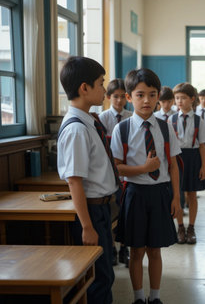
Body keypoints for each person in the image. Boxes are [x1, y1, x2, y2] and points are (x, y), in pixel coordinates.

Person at [110, 68, 182, 304]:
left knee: (155, 250)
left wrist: (175, 199)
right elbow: (117, 167)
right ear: (129, 97)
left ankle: (155, 297)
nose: (147, 100)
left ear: (158, 96)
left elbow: (173, 166)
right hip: (135, 194)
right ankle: (139, 297)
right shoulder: (122, 129)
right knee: (136, 250)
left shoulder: (165, 127)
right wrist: (143, 168)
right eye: (140, 95)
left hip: (160, 193)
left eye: (152, 94)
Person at [57, 56, 117, 303]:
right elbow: (74, 181)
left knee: (105, 274)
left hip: (101, 209)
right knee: (99, 279)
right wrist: (87, 227)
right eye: (101, 83)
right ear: (84, 88)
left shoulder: (90, 121)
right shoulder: (77, 129)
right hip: (91, 213)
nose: (104, 90)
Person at [169, 82, 205, 244]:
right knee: (177, 193)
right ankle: (180, 227)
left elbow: (202, 145)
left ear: (192, 99)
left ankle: (191, 227)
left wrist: (204, 166)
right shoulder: (170, 120)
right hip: (176, 157)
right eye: (177, 98)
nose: (179, 101)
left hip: (193, 158)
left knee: (192, 194)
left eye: (183, 98)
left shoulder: (199, 121)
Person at [98, 78, 132, 267]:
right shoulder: (102, 118)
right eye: (115, 97)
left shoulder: (130, 116)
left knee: (125, 212)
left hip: (126, 171)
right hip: (108, 172)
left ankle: (124, 248)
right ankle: (111, 248)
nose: (119, 101)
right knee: (112, 212)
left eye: (122, 97)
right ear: (108, 97)